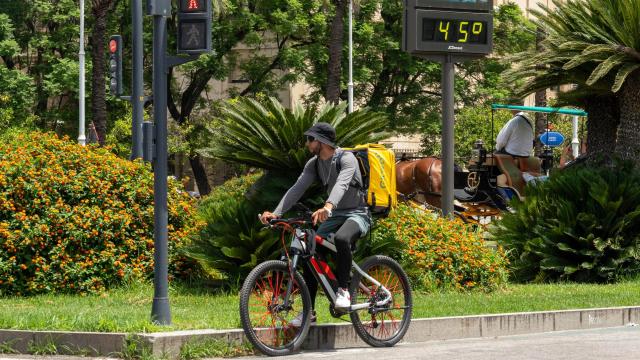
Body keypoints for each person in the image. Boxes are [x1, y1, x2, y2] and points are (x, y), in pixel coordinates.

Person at [259, 122, 371, 326]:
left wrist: (328, 206)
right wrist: (275, 213)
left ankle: (343, 291)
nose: (307, 143)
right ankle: (309, 312)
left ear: (321, 141)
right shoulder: (314, 164)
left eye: (310, 139)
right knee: (309, 253)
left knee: (341, 238)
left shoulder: (347, 158)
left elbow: (342, 184)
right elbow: (296, 189)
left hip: (357, 213)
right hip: (334, 215)